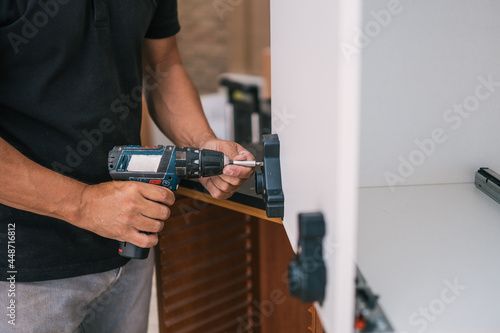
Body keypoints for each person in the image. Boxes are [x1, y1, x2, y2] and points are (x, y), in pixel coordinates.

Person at [0, 1, 254, 332]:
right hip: (24, 266)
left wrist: (202, 141)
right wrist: (84, 204)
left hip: (129, 245)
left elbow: (163, 64)